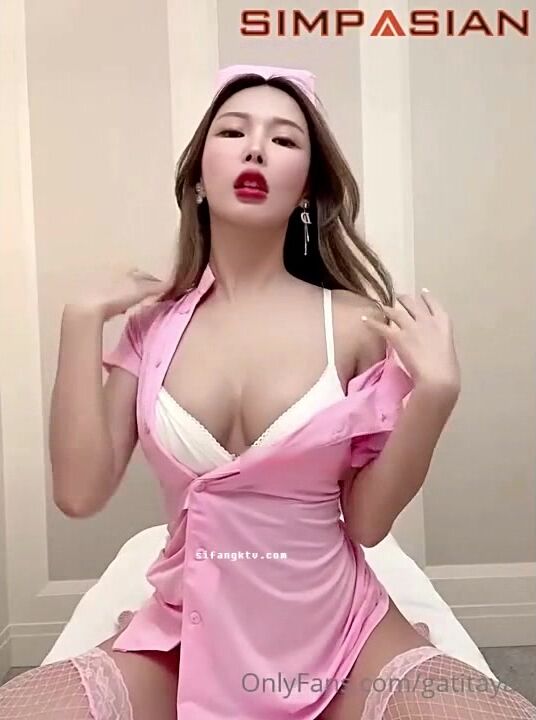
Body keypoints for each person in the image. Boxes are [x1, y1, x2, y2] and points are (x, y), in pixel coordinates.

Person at [1, 64, 534, 720]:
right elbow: (80, 493)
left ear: (306, 187)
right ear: (199, 176)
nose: (256, 148)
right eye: (233, 132)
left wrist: (436, 397)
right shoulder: (152, 327)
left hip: (342, 634)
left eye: (283, 139)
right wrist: (79, 322)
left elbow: (367, 523)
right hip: (184, 638)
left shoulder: (357, 323)